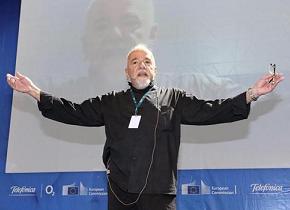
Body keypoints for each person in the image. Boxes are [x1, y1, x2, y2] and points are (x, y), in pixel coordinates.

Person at [6, 44, 284, 210]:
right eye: (135, 62)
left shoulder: (174, 99)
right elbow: (75, 112)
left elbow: (212, 110)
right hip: (120, 194)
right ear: (126, 72)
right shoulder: (110, 102)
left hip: (159, 196)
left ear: (155, 71)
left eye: (147, 62)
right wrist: (36, 93)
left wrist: (251, 94)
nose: (141, 66)